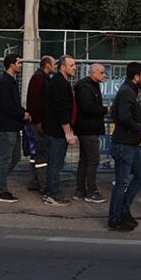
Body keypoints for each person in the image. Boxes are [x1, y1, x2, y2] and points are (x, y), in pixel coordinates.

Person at [108, 62, 141, 232]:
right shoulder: (127, 92)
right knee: (122, 182)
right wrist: (136, 126)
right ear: (136, 76)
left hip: (132, 143)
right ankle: (115, 217)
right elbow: (123, 116)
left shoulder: (131, 91)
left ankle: (124, 209)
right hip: (125, 144)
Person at [42, 55, 79, 205]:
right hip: (56, 132)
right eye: (71, 65)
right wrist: (67, 132)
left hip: (55, 130)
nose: (74, 67)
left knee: (55, 163)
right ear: (62, 67)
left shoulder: (60, 82)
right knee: (55, 164)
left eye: (74, 65)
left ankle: (51, 191)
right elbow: (61, 110)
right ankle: (53, 194)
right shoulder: (59, 84)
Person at [0, 54, 28, 203]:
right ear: (11, 65)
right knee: (6, 159)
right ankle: (1, 191)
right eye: (19, 62)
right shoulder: (5, 82)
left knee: (15, 157)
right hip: (7, 127)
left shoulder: (10, 81)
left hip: (13, 126)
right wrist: (22, 114)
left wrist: (21, 112)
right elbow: (7, 106)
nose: (21, 65)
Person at [73, 62, 108, 203]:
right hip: (88, 129)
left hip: (87, 128)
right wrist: (105, 110)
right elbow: (87, 107)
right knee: (93, 160)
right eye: (101, 72)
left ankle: (81, 190)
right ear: (93, 73)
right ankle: (91, 191)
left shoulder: (90, 86)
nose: (104, 75)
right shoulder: (86, 87)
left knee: (85, 160)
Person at [25, 55, 54, 194]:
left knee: (36, 153)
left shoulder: (41, 78)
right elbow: (35, 102)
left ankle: (34, 181)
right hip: (39, 122)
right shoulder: (39, 79)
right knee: (41, 153)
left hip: (38, 121)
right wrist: (39, 121)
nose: (55, 66)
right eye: (53, 64)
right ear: (47, 65)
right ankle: (43, 184)